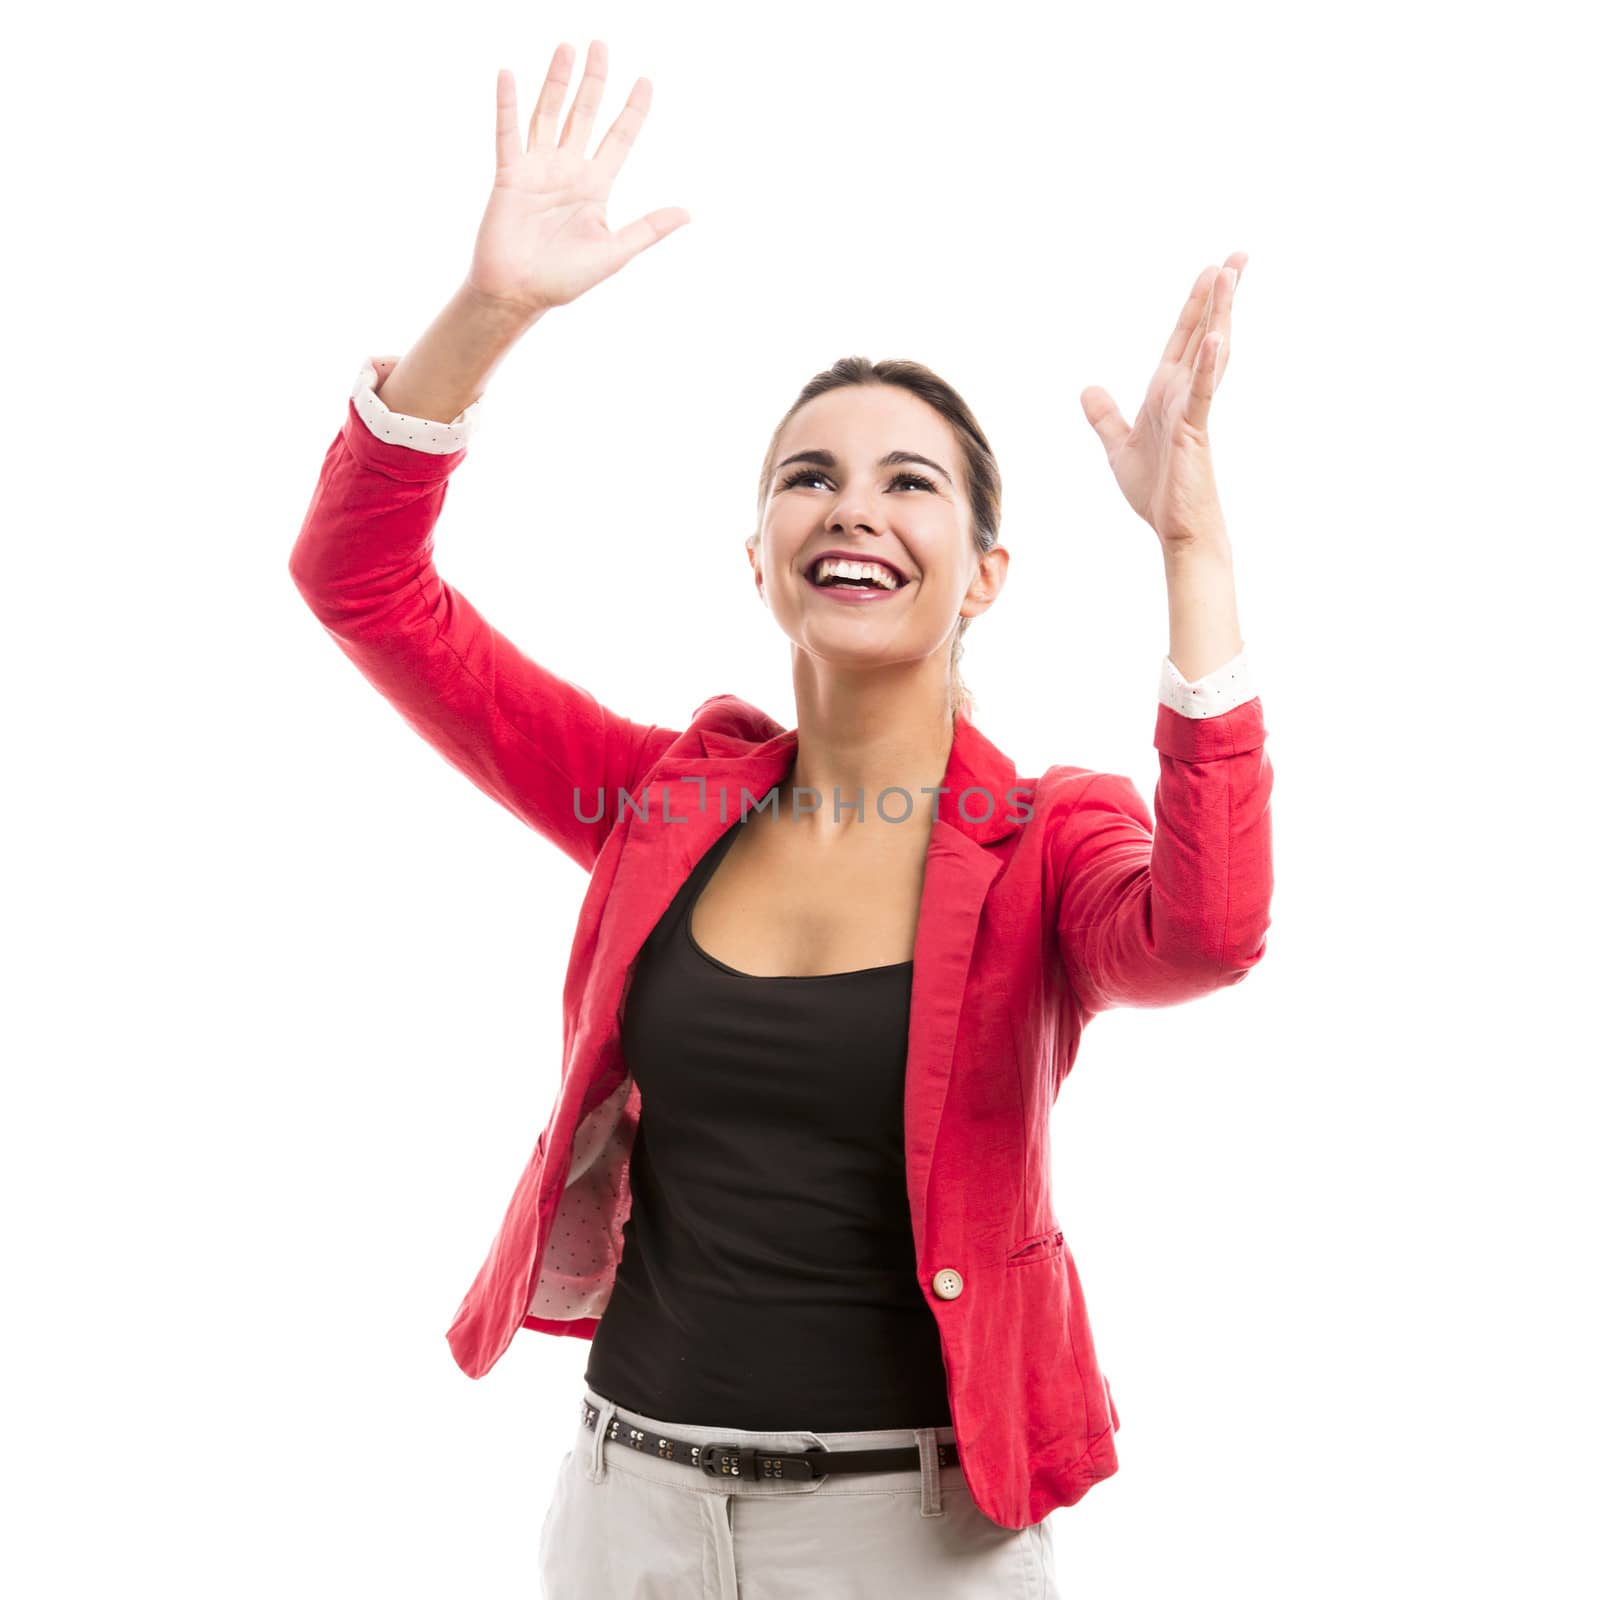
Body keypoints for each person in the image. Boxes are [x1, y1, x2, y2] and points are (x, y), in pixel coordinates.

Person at [288, 39, 1274, 1600]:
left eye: (910, 483)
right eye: (808, 479)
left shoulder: (1047, 844)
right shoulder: (658, 801)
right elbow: (362, 587)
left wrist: (1193, 549)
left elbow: (1208, 936)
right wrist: (488, 318)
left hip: (916, 1542)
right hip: (627, 1520)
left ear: (985, 572)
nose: (852, 507)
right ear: (760, 558)